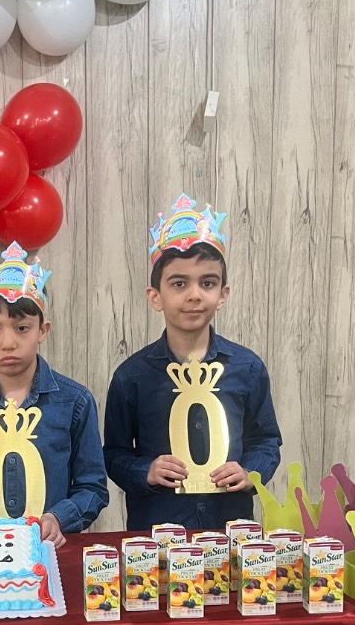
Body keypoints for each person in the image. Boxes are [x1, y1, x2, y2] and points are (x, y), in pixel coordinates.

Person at [103, 194, 281, 532]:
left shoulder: (248, 369)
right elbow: (113, 454)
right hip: (157, 532)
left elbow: (266, 441)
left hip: (229, 529)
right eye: (179, 283)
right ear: (155, 296)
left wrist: (250, 472)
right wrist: (146, 471)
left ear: (223, 294)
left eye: (207, 283)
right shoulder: (131, 377)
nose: (194, 294)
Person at [0, 243, 109, 546]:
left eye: (22, 328)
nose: (8, 343)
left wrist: (58, 518)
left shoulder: (75, 402)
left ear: (43, 330)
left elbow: (92, 487)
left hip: (50, 551)